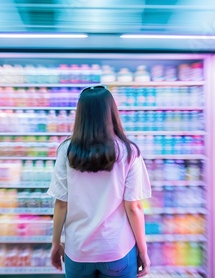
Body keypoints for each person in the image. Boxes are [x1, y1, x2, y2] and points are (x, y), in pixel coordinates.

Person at [47, 85, 152, 278]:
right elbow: (134, 207)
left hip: (78, 250)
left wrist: (55, 243)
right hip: (116, 249)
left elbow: (61, 203)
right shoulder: (129, 152)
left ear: (81, 115)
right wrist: (143, 251)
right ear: (111, 112)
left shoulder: (67, 151)